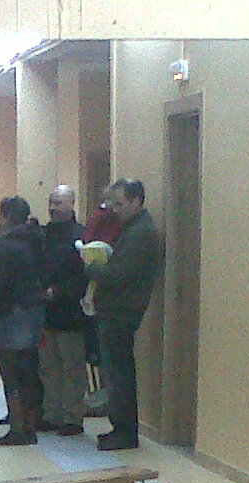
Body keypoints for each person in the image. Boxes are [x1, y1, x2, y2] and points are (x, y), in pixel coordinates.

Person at [89, 179, 161, 451]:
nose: (115, 210)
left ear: (136, 201)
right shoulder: (133, 228)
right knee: (116, 374)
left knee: (119, 376)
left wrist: (91, 268)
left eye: (120, 204)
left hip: (121, 312)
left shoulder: (141, 233)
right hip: (117, 310)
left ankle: (125, 432)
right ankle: (120, 428)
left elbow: (118, 275)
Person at [0, 196, 48, 446]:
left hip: (12, 312)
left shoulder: (6, 244)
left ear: (6, 217)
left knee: (10, 372)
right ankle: (31, 423)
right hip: (35, 308)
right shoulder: (38, 238)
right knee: (29, 370)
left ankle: (18, 428)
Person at [36, 185, 90, 437]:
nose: (53, 208)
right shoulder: (44, 235)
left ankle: (73, 417)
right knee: (49, 367)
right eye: (51, 202)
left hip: (71, 312)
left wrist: (58, 291)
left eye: (58, 202)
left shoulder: (81, 235)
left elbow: (82, 275)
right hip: (46, 313)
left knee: (72, 367)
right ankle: (52, 414)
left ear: (71, 204)